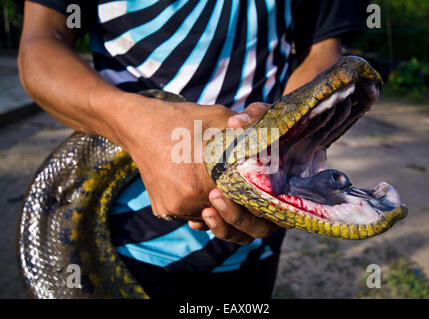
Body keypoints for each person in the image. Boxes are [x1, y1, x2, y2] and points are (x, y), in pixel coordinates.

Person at [19, 0, 367, 298]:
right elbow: (40, 44)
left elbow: (322, 50)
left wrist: (286, 142)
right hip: (121, 240)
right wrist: (136, 124)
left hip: (254, 245)